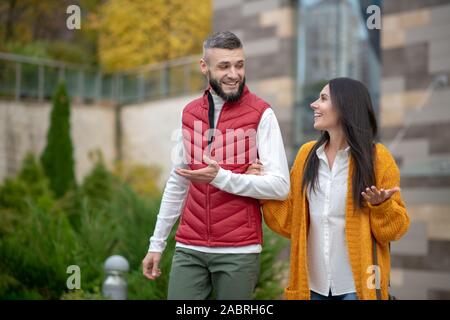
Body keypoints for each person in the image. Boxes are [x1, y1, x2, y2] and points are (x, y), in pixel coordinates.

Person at [141, 31, 290, 300]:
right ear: (204, 67)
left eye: (239, 65)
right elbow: (178, 181)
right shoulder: (189, 113)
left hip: (238, 250)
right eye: (224, 66)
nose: (234, 74)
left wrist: (221, 177)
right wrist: (156, 244)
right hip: (189, 246)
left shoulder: (262, 114)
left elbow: (280, 187)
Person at [246, 77, 410, 300]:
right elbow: (288, 223)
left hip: (357, 288)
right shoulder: (306, 155)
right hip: (311, 288)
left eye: (323, 99)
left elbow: (394, 231)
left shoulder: (378, 159)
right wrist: (263, 188)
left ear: (345, 106)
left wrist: (381, 207)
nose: (314, 104)